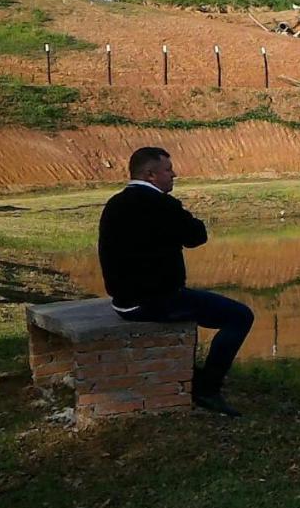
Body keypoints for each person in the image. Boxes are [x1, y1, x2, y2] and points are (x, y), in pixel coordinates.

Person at [98, 147, 253, 417]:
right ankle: (207, 388)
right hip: (154, 301)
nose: (174, 174)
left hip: (123, 301)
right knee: (240, 316)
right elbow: (196, 236)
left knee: (200, 303)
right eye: (168, 170)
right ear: (151, 175)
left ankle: (193, 377)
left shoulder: (115, 202)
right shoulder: (161, 205)